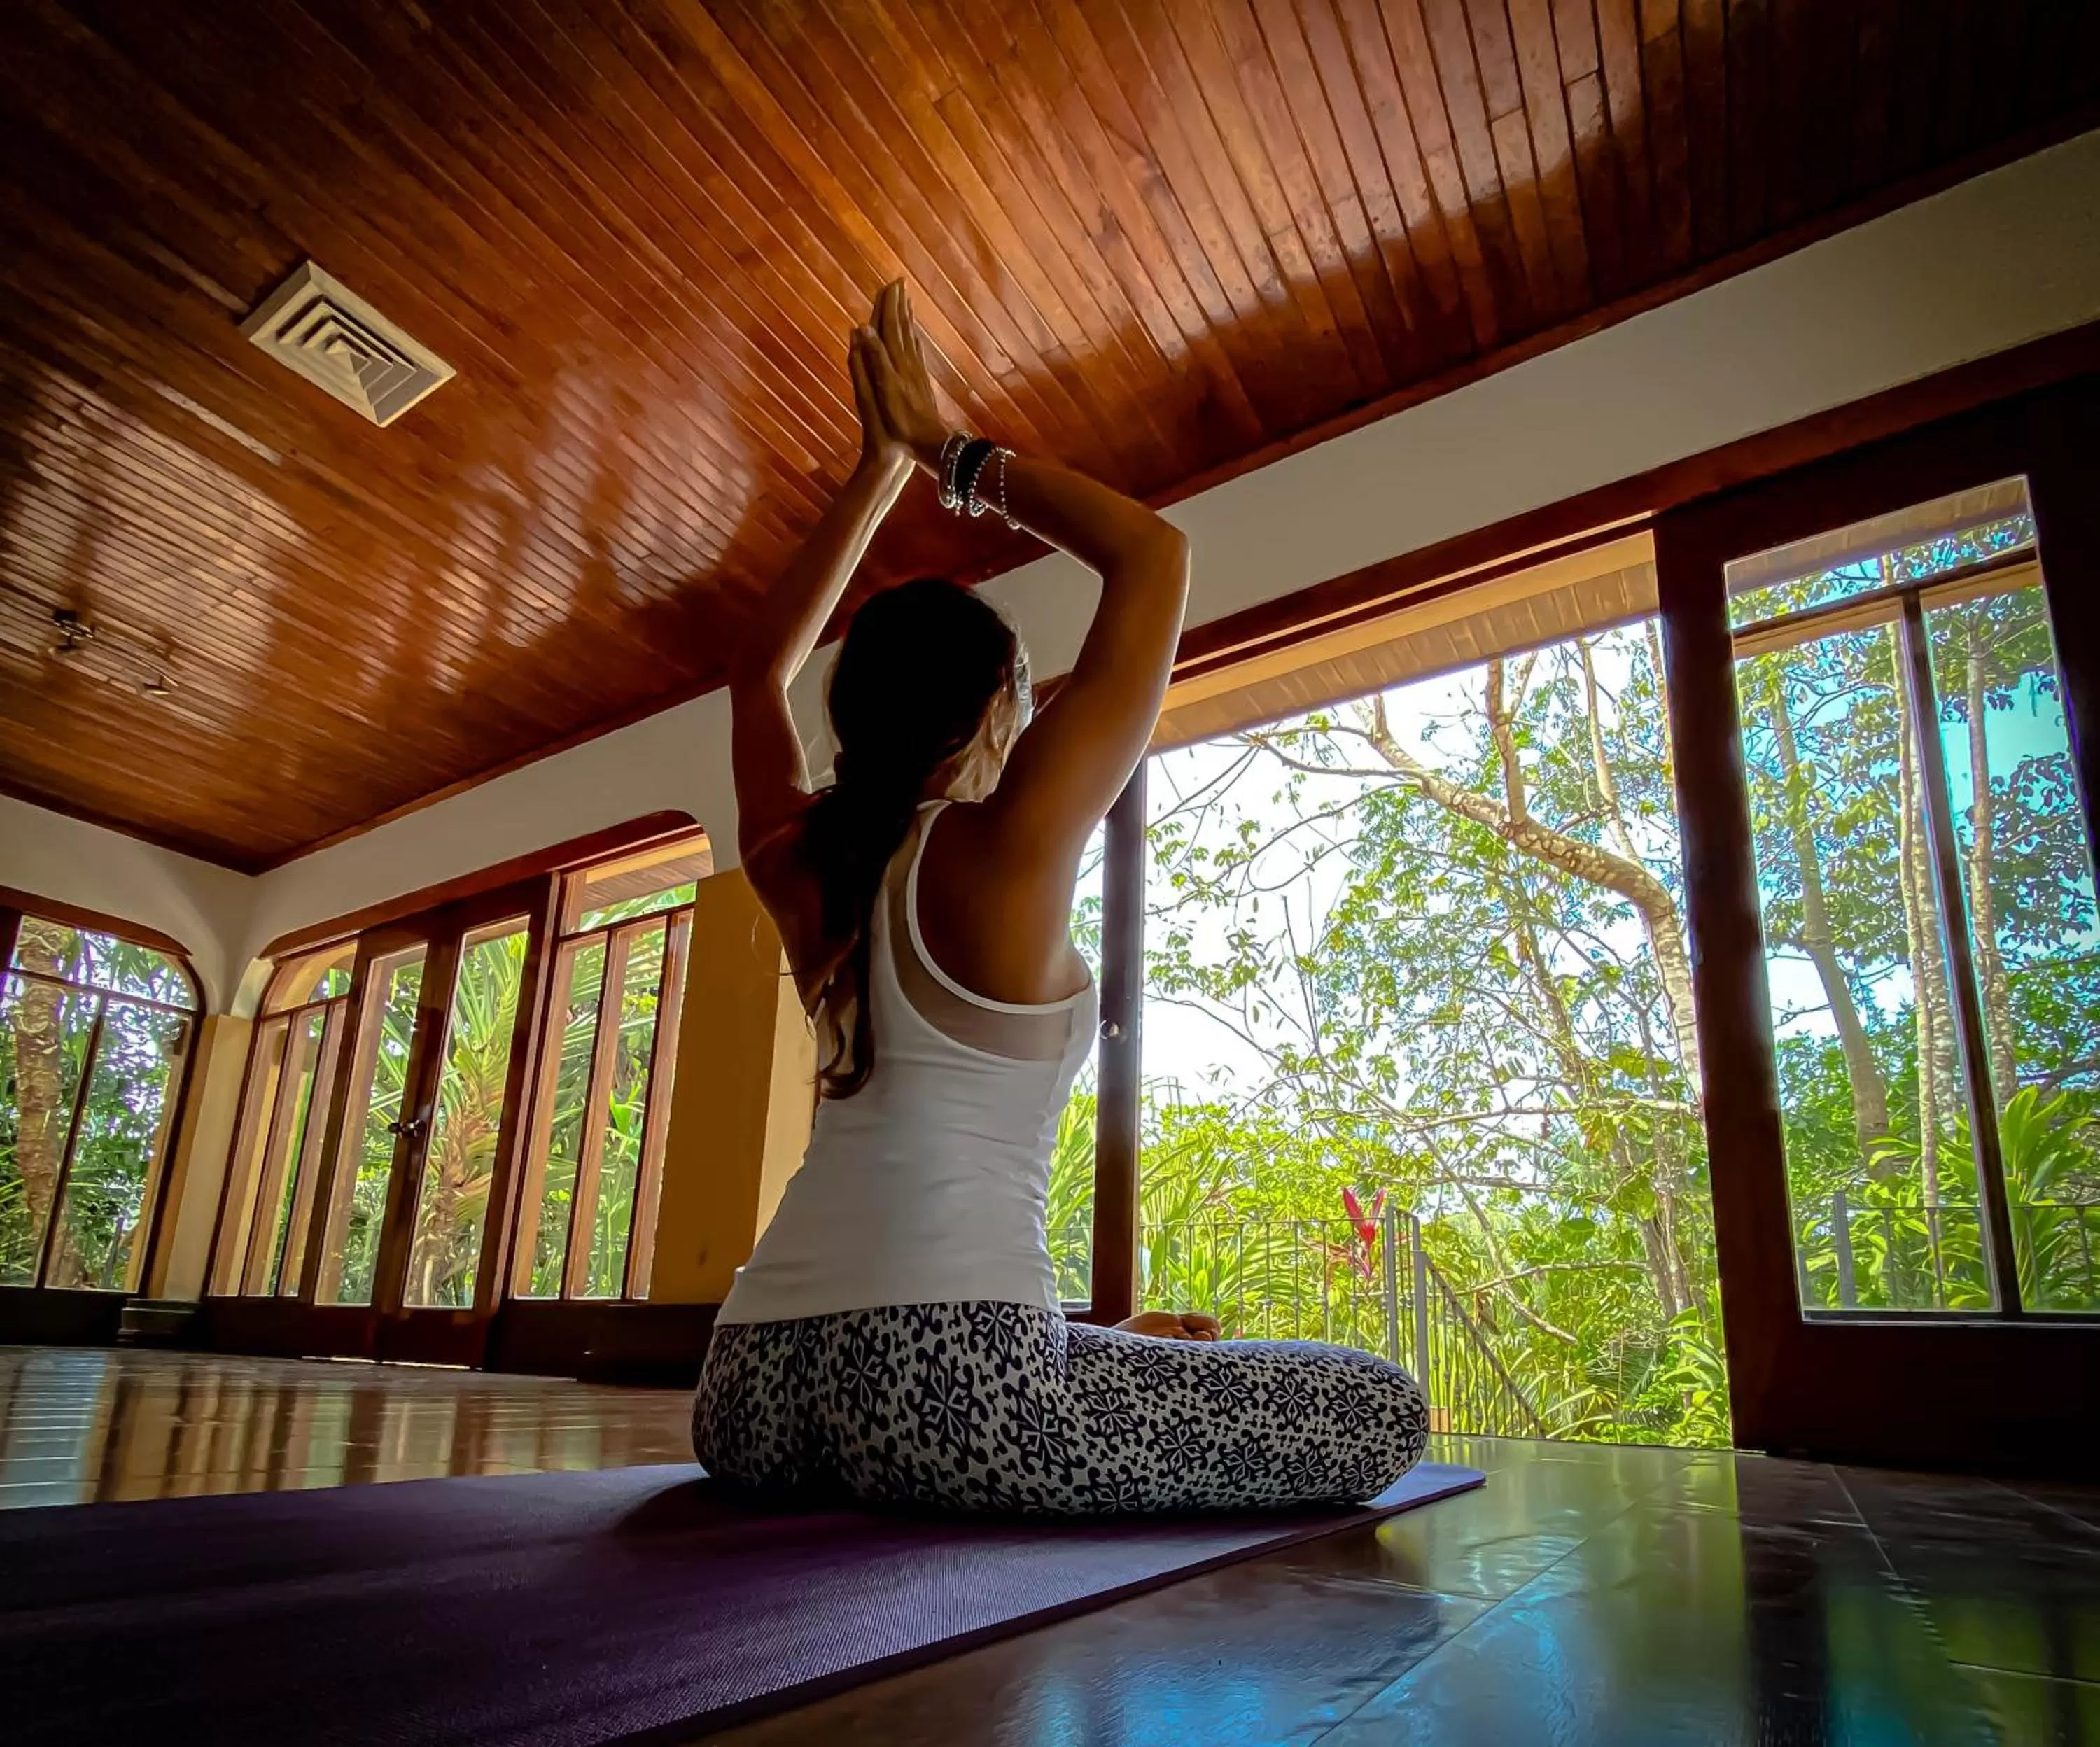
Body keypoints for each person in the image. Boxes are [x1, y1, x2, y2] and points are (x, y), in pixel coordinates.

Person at [692, 281, 1427, 1516]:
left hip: (749, 1392)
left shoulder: (796, 856)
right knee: (1379, 1405)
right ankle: (1081, 1362)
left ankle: (1095, 1353)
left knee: (1132, 1353)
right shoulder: (1005, 847)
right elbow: (1155, 554)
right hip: (953, 1397)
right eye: (1026, 700)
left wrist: (875, 475)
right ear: (996, 714)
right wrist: (944, 452)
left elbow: (758, 668)